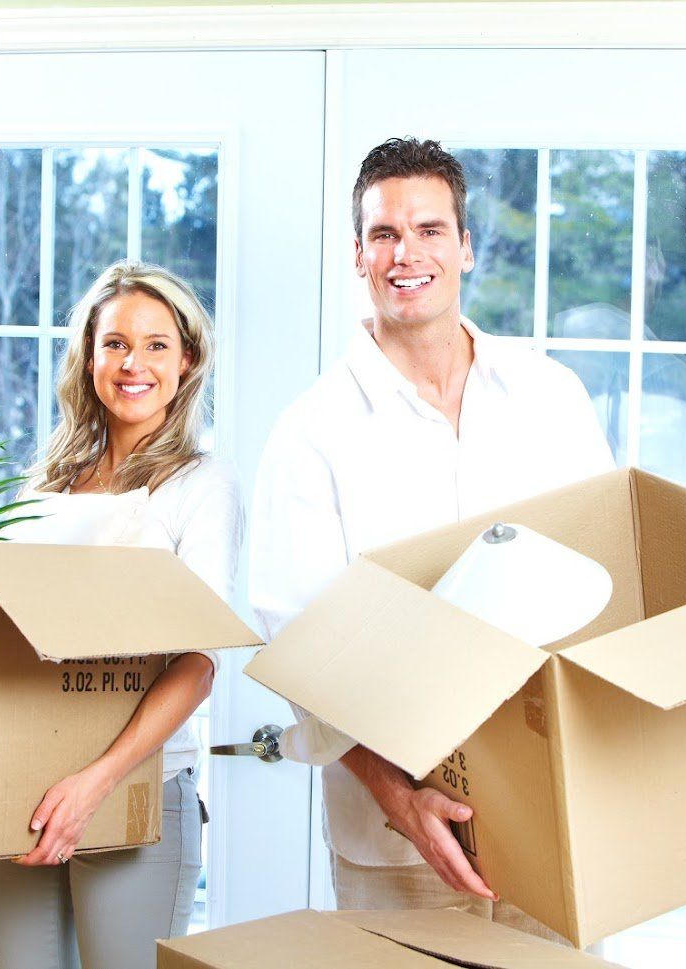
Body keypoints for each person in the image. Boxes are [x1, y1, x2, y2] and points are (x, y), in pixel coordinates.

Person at [249, 138, 615, 931]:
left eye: (428, 229)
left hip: (553, 816)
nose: (404, 253)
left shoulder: (550, 398)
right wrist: (401, 799)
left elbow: (601, 582)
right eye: (382, 234)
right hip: (399, 842)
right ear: (357, 255)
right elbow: (301, 650)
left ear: (466, 246)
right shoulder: (312, 432)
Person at [0, 261, 241, 969]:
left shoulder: (199, 488)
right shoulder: (42, 485)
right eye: (115, 342)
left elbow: (198, 662)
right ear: (88, 355)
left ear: (186, 362)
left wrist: (94, 780)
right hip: (23, 785)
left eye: (157, 345)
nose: (134, 363)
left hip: (136, 790)